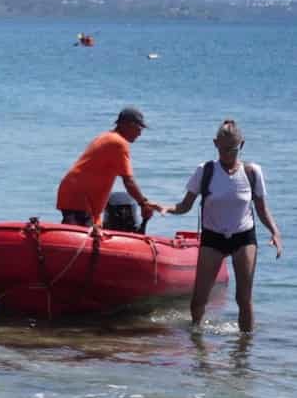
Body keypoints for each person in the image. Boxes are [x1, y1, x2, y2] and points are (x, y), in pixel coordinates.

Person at [164, 119, 283, 331]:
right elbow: (185, 205)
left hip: (243, 237)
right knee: (199, 300)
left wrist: (275, 232)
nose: (228, 154)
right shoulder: (205, 170)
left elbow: (262, 209)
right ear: (215, 144)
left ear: (242, 145)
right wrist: (166, 209)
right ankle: (197, 341)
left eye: (233, 150)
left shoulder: (252, 172)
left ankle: (245, 351)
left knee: (243, 299)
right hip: (213, 238)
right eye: (223, 149)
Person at [54, 106, 163, 238]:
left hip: (79, 196)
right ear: (127, 125)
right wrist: (143, 203)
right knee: (79, 241)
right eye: (138, 128)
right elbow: (128, 181)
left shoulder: (106, 137)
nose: (140, 133)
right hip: (79, 198)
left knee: (86, 239)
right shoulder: (119, 143)